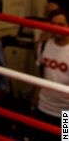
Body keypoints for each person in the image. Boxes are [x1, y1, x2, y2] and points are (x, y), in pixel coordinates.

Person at [31, 8, 69, 141]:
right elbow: (41, 75)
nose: (56, 28)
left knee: (65, 139)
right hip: (44, 107)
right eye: (53, 24)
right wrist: (34, 102)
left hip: (66, 112)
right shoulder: (44, 45)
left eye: (61, 24)